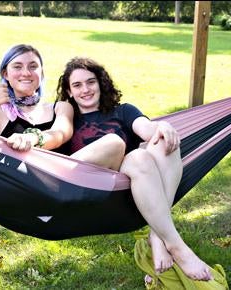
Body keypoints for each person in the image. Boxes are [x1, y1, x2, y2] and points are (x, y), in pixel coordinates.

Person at [56, 57, 213, 281]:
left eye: (91, 82)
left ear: (100, 83)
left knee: (162, 145)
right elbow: (53, 134)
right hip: (88, 182)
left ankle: (158, 237)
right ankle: (175, 245)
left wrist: (163, 126)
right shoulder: (69, 116)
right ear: (69, 92)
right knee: (114, 143)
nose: (86, 90)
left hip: (128, 182)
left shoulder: (123, 111)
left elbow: (148, 130)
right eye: (77, 85)